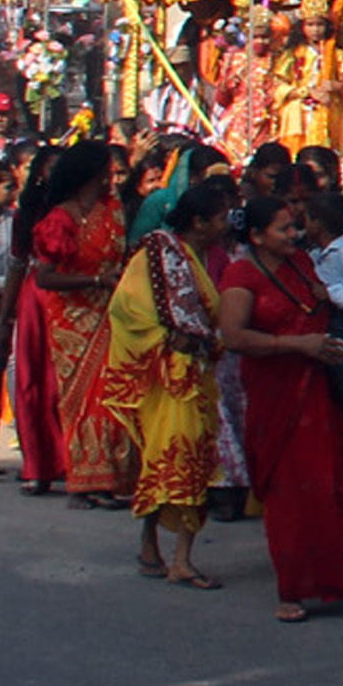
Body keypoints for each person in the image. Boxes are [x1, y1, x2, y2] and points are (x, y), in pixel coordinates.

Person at [218, 193, 343, 623]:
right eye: (284, 229)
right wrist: (296, 345)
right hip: (275, 392)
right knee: (289, 491)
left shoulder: (303, 265)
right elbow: (232, 336)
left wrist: (342, 335)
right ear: (256, 235)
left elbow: (320, 311)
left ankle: (336, 580)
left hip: (317, 389)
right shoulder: (241, 274)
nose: (295, 235)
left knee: (326, 481)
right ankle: (293, 586)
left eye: (295, 227)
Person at [106, 171, 234, 592]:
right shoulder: (158, 253)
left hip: (194, 377)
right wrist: (168, 340)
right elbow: (127, 309)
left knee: (188, 463)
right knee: (169, 461)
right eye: (220, 218)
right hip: (167, 379)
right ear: (199, 222)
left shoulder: (194, 257)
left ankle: (177, 555)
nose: (226, 225)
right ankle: (161, 551)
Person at [10, 142, 127, 500]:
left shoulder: (113, 210)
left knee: (113, 395)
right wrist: (94, 282)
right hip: (73, 319)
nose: (111, 176)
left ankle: (112, 477)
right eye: (106, 170)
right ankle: (86, 481)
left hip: (113, 312)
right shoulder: (59, 219)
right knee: (82, 399)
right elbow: (44, 277)